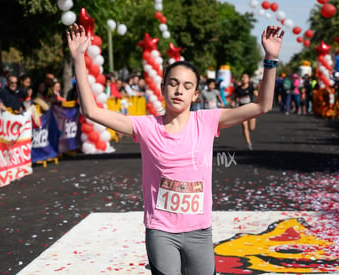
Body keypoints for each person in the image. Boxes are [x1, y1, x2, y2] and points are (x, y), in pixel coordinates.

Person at [67, 23, 283, 275]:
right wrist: (79, 59)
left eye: (187, 86)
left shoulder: (207, 120)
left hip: (200, 233)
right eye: (173, 83)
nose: (179, 90)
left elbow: (262, 106)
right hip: (161, 232)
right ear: (163, 88)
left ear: (195, 95)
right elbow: (91, 111)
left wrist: (270, 58)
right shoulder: (146, 127)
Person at [231, 73, 259, 150]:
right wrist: (233, 102)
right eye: (242, 77)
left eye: (245, 77)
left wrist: (259, 101)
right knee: (244, 125)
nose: (243, 78)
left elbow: (257, 95)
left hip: (251, 109)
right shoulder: (238, 88)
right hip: (242, 110)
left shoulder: (251, 87)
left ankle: (249, 139)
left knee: (252, 128)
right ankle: (248, 143)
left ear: (248, 79)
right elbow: (234, 96)